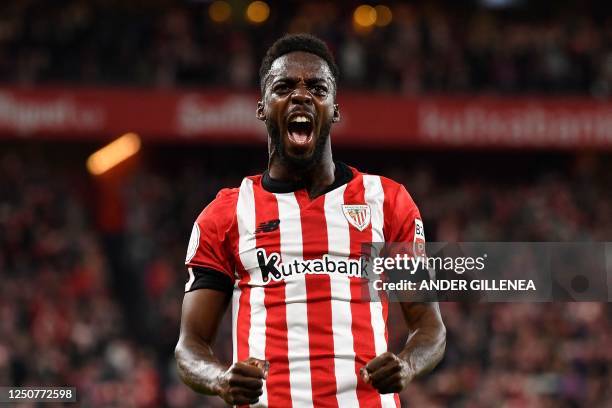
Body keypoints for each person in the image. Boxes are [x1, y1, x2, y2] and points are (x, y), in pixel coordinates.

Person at [175, 33, 446, 407]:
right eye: (284, 86)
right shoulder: (225, 215)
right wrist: (220, 379)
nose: (301, 95)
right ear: (261, 107)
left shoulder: (388, 202)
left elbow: (430, 328)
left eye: (317, 88)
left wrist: (407, 365)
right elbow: (189, 347)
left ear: (334, 109)